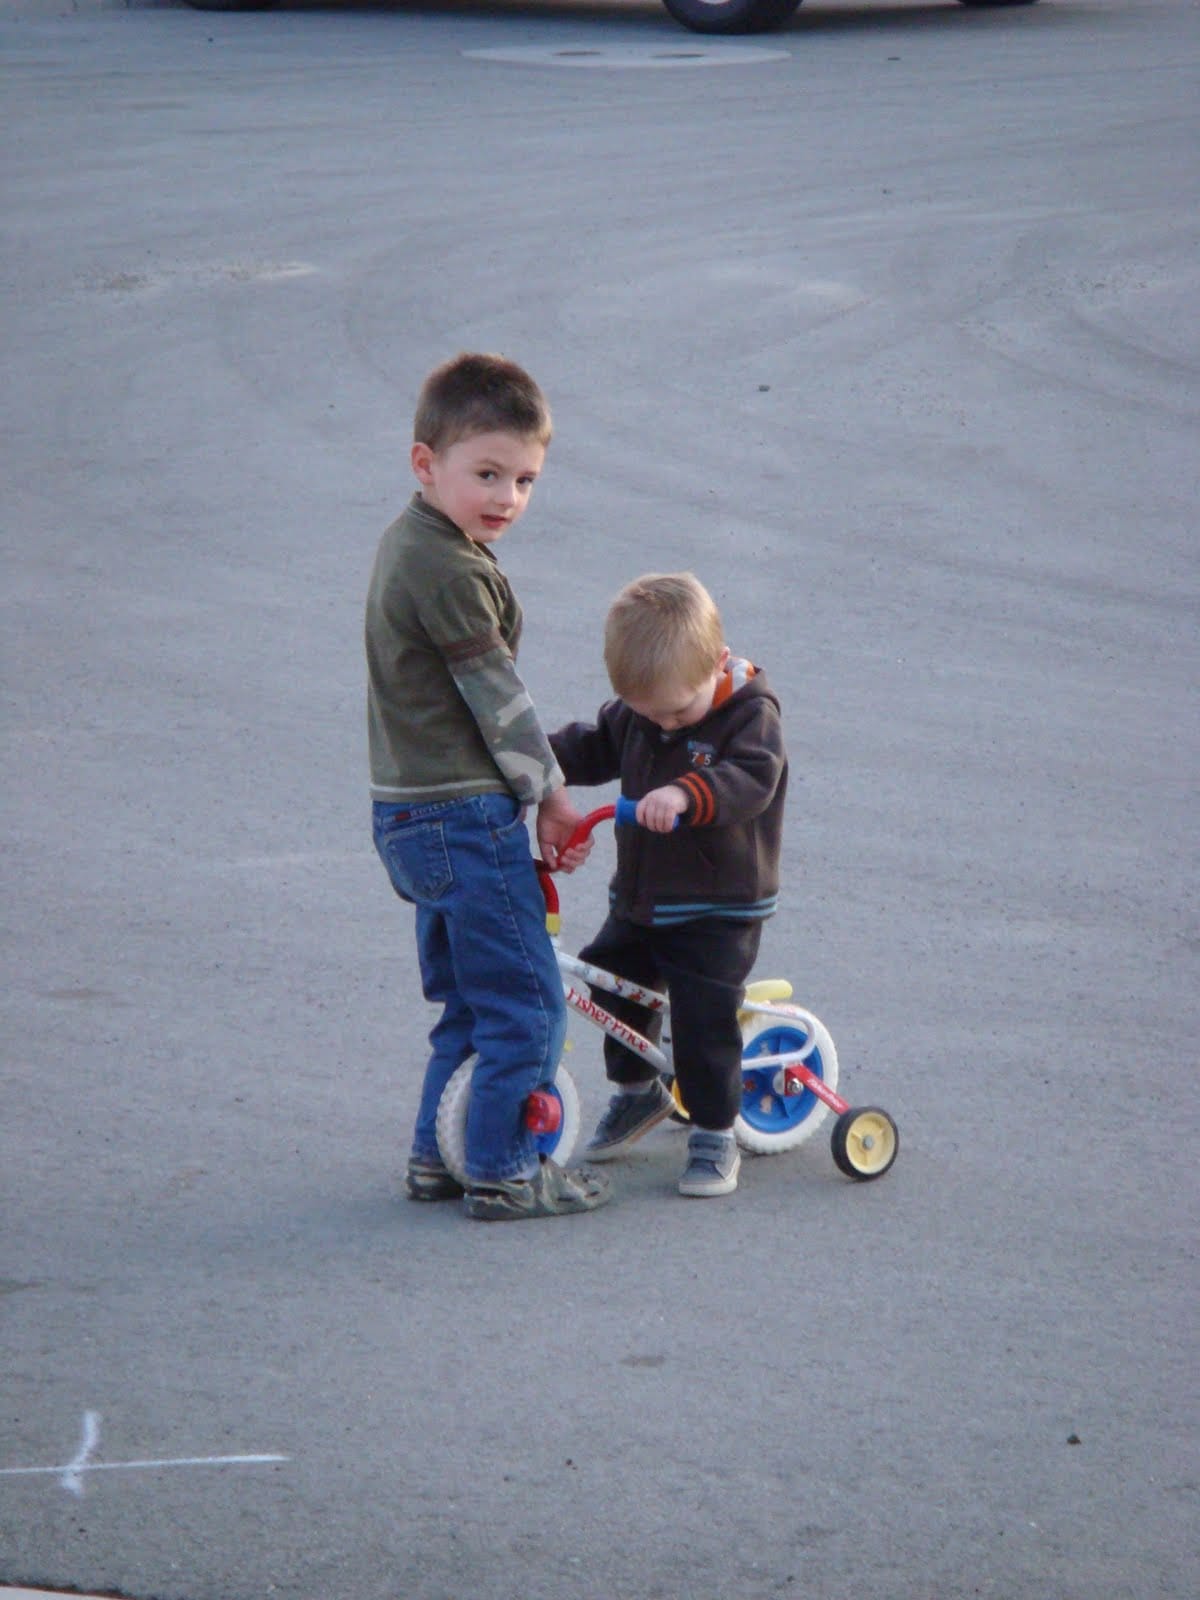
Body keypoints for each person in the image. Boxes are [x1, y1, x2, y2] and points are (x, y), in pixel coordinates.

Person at [365, 352, 609, 1222]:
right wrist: (550, 796)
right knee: (529, 1003)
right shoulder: (454, 571)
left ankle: (438, 1155)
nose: (507, 496)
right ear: (425, 463)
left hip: (407, 813)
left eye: (525, 479)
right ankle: (507, 1169)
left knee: (468, 1002)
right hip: (464, 815)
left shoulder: (412, 541)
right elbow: (497, 697)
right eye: (487, 474)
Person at [549, 572, 787, 1198]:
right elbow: (596, 745)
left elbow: (750, 780)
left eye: (677, 711)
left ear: (716, 662)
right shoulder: (643, 710)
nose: (660, 722)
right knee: (608, 980)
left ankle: (714, 1132)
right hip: (644, 893)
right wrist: (534, 760)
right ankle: (637, 1093)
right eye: (645, 711)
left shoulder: (750, 717)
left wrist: (686, 792)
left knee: (702, 1017)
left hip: (718, 904)